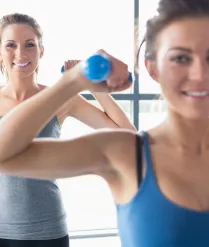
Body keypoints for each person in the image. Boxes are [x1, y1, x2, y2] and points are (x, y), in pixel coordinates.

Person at [0, 0, 209, 246]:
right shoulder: (125, 153)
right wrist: (72, 82)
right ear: (152, 68)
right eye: (180, 58)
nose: (200, 73)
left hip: (46, 230)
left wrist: (83, 88)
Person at [0, 12, 135, 247]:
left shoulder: (61, 99)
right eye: (11, 45)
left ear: (41, 52)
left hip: (46, 232)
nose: (20, 53)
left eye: (29, 44)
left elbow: (129, 137)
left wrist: (92, 86)